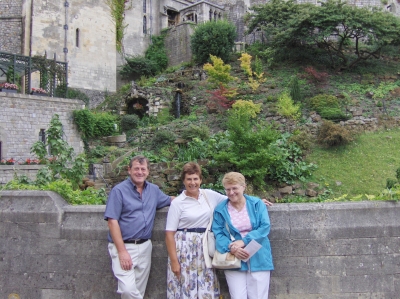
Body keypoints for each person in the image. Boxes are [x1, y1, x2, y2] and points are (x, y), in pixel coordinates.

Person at [104, 155, 173, 299]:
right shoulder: (119, 191)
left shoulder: (153, 190)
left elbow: (171, 201)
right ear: (129, 170)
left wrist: (195, 196)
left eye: (143, 169)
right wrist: (122, 252)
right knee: (128, 289)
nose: (140, 172)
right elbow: (112, 221)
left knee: (138, 290)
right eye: (136, 168)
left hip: (145, 246)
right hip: (124, 246)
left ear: (148, 172)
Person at [165, 162, 226, 298]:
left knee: (207, 284)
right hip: (184, 251)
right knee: (186, 285)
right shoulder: (178, 203)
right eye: (189, 179)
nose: (192, 183)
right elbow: (169, 234)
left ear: (200, 180)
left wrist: (255, 202)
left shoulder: (209, 195)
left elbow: (233, 199)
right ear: (183, 181)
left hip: (205, 248)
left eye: (195, 179)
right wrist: (174, 261)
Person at [212, 172, 274, 299]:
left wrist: (244, 241)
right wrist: (232, 248)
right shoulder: (220, 210)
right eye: (228, 189)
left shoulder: (256, 204)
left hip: (258, 255)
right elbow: (218, 233)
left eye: (234, 188)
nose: (231, 192)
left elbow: (264, 227)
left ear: (243, 187)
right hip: (234, 259)